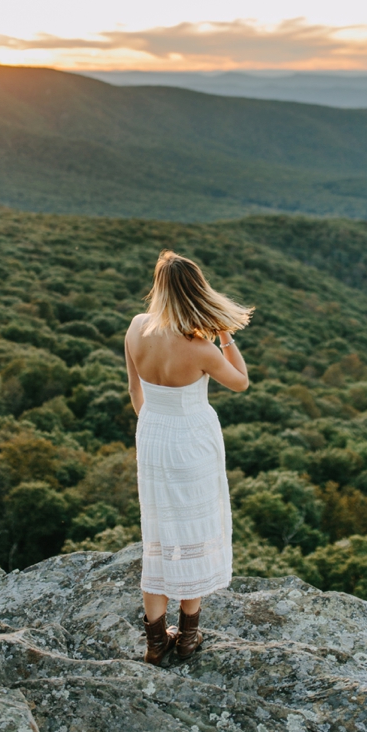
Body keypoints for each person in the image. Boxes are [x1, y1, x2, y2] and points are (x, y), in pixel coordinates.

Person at [123, 249, 251, 666]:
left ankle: (156, 644)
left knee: (158, 537)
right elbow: (241, 383)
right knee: (192, 532)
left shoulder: (136, 327)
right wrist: (226, 335)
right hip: (191, 438)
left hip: (153, 435)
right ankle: (189, 635)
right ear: (196, 292)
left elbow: (134, 391)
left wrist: (153, 427)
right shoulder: (201, 347)